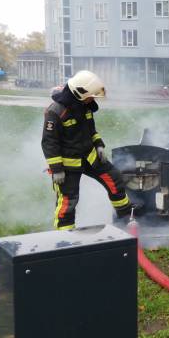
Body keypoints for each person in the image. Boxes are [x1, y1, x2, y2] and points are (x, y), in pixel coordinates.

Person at [41, 70, 134, 230]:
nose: (93, 99)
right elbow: (49, 142)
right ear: (80, 92)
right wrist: (57, 169)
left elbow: (91, 129)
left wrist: (99, 145)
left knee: (115, 180)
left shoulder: (85, 106)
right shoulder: (55, 112)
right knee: (68, 201)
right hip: (67, 165)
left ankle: (127, 222)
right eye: (91, 96)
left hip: (90, 157)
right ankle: (65, 238)